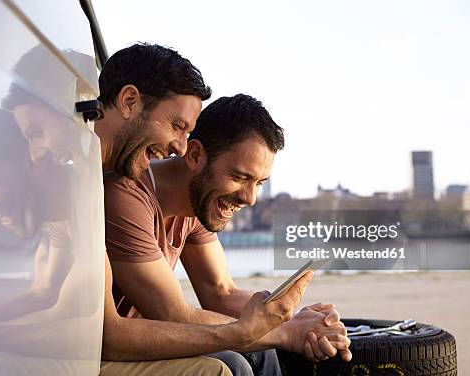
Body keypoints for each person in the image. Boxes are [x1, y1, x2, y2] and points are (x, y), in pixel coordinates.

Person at [93, 44, 318, 375]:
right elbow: (172, 315)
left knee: (261, 353)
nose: (250, 198)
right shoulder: (123, 192)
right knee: (236, 362)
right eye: (240, 177)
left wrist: (295, 321)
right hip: (115, 349)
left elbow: (221, 292)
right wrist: (283, 333)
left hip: (137, 341)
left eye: (258, 183)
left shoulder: (197, 206)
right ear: (197, 158)